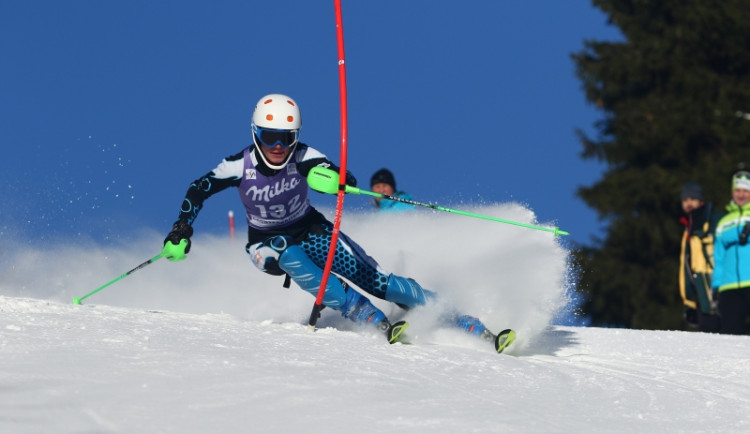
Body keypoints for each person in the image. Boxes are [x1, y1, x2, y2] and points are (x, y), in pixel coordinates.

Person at [160, 94, 515, 352]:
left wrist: (333, 177)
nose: (278, 147)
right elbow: (199, 188)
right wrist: (181, 230)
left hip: (311, 227)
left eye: (286, 138)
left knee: (376, 279)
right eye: (270, 137)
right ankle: (372, 318)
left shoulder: (303, 155)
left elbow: (342, 174)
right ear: (256, 133)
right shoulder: (239, 165)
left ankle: (463, 321)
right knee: (287, 253)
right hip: (265, 244)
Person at [677, 181, 722, 332]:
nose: (688, 203)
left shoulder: (715, 220)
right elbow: (686, 269)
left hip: (722, 289)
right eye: (685, 200)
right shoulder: (688, 230)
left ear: (700, 201)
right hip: (702, 296)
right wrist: (688, 303)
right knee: (709, 344)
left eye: (692, 198)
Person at [713, 170, 750, 335]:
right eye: (737, 190)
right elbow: (718, 257)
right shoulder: (723, 222)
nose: (741, 195)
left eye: (745, 190)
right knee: (730, 337)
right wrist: (716, 286)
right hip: (729, 287)